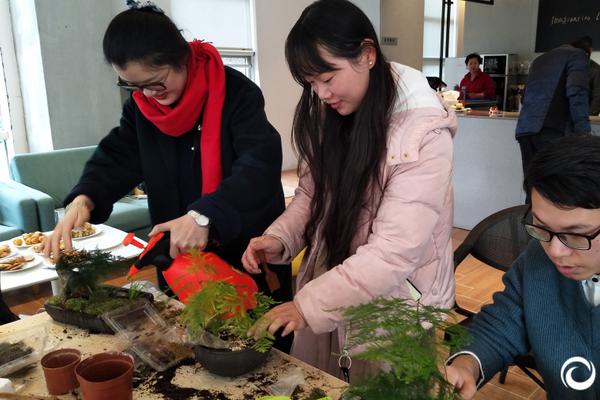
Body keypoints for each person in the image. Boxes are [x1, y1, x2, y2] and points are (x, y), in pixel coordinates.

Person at [41, 3, 293, 346]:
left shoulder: (236, 94)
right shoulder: (142, 109)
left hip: (244, 254)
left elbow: (258, 166)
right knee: (191, 346)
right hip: (179, 260)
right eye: (133, 86)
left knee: (255, 349)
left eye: (156, 82)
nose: (148, 95)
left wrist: (204, 215)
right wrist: (84, 200)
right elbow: (117, 156)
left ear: (182, 59)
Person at [241, 0, 456, 378]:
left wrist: (306, 307)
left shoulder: (423, 136)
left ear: (367, 54)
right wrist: (279, 238)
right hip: (330, 278)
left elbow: (393, 253)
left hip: (392, 300)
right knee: (320, 381)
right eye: (311, 83)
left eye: (328, 77)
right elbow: (311, 197)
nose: (321, 93)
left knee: (378, 385)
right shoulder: (330, 118)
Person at [445, 135, 600, 399]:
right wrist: (466, 366)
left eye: (576, 235)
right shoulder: (537, 261)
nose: (555, 251)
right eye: (541, 227)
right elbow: (503, 323)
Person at [515, 37, 591, 191]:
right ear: (587, 52)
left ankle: (530, 215)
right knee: (556, 189)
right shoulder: (578, 55)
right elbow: (577, 92)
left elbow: (524, 97)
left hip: (525, 130)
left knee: (533, 187)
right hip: (552, 129)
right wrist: (584, 132)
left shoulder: (540, 60)